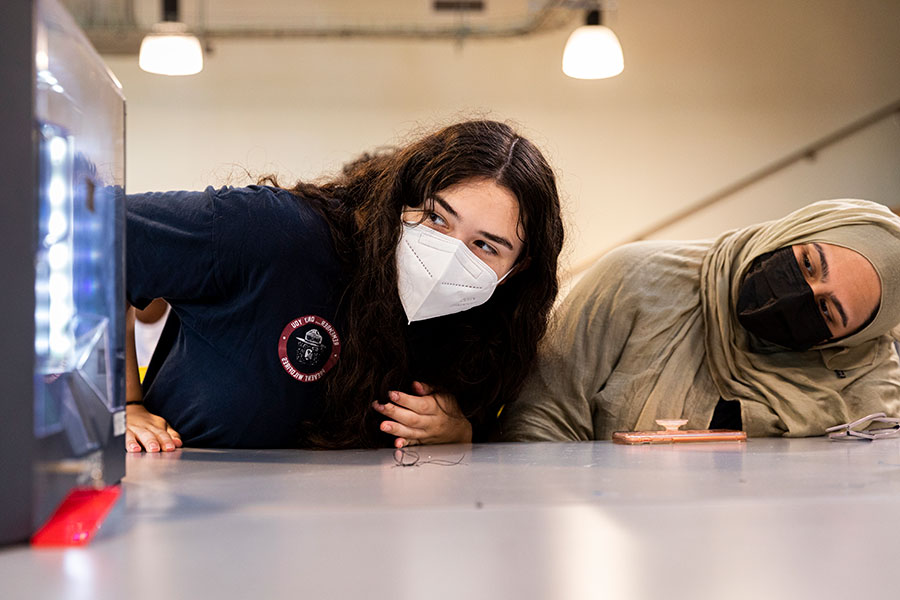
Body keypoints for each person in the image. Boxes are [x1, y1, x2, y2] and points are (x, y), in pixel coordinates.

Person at [125, 120, 565, 452]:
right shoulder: (273, 234)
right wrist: (122, 405)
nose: (450, 255)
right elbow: (95, 233)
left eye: (485, 246)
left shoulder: (486, 334)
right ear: (403, 196)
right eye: (436, 217)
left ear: (517, 268)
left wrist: (460, 431)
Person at [500, 199, 900, 441]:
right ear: (795, 230)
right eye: (808, 263)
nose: (802, 293)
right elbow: (538, 418)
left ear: (843, 343)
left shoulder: (863, 377)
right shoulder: (635, 279)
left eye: (828, 311)